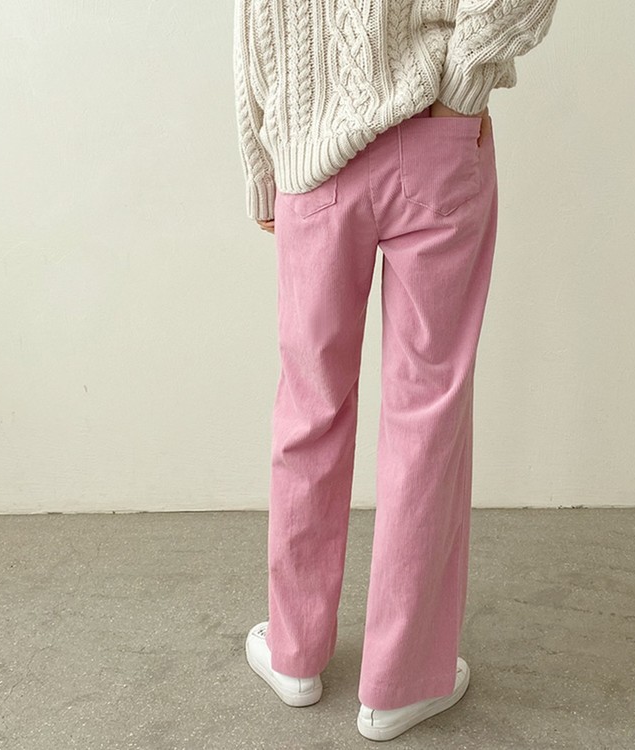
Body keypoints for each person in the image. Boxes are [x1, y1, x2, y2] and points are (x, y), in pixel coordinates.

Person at [235, 0, 559, 741]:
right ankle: (403, 684)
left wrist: (262, 166)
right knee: (427, 410)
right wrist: (459, 91)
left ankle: (293, 655)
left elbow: (253, 28)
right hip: (433, 138)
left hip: (311, 153)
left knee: (309, 405)